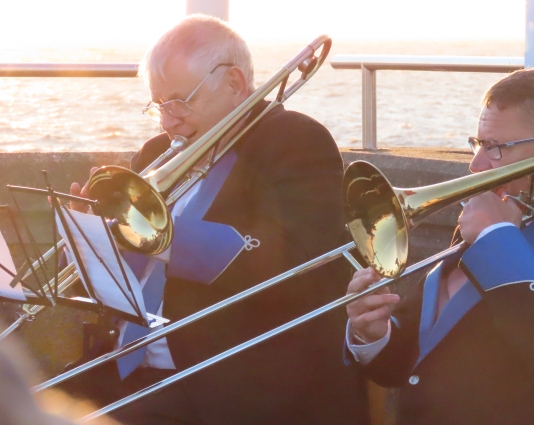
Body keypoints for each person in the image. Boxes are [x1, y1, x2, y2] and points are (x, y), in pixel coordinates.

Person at [64, 15, 369, 425]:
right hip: (133, 367)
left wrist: (160, 236)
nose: (168, 120)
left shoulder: (295, 140)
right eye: (158, 105)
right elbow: (128, 281)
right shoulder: (157, 149)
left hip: (231, 380)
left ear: (235, 84)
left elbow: (296, 261)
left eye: (179, 102)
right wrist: (90, 239)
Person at [344, 69, 534, 425]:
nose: (476, 165)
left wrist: (497, 238)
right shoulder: (496, 219)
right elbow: (414, 364)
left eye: (495, 147)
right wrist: (373, 333)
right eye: (477, 144)